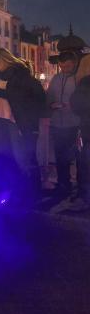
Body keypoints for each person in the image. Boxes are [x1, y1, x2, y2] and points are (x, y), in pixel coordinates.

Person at [0, 48, 46, 207]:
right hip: (0, 120)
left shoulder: (20, 74)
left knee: (23, 157)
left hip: (16, 121)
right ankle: (14, 191)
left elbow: (26, 96)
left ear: (5, 60)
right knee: (5, 155)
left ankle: (31, 194)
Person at [46, 52, 82, 205]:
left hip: (74, 124)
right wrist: (51, 105)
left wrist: (73, 107)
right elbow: (48, 97)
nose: (64, 69)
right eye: (61, 66)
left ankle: (80, 188)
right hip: (57, 123)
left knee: (76, 157)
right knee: (60, 158)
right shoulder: (56, 78)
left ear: (74, 63)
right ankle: (63, 185)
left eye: (67, 66)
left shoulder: (79, 79)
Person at [68, 55, 90, 212]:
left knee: (85, 165)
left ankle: (85, 198)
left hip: (87, 128)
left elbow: (77, 105)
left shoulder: (85, 83)